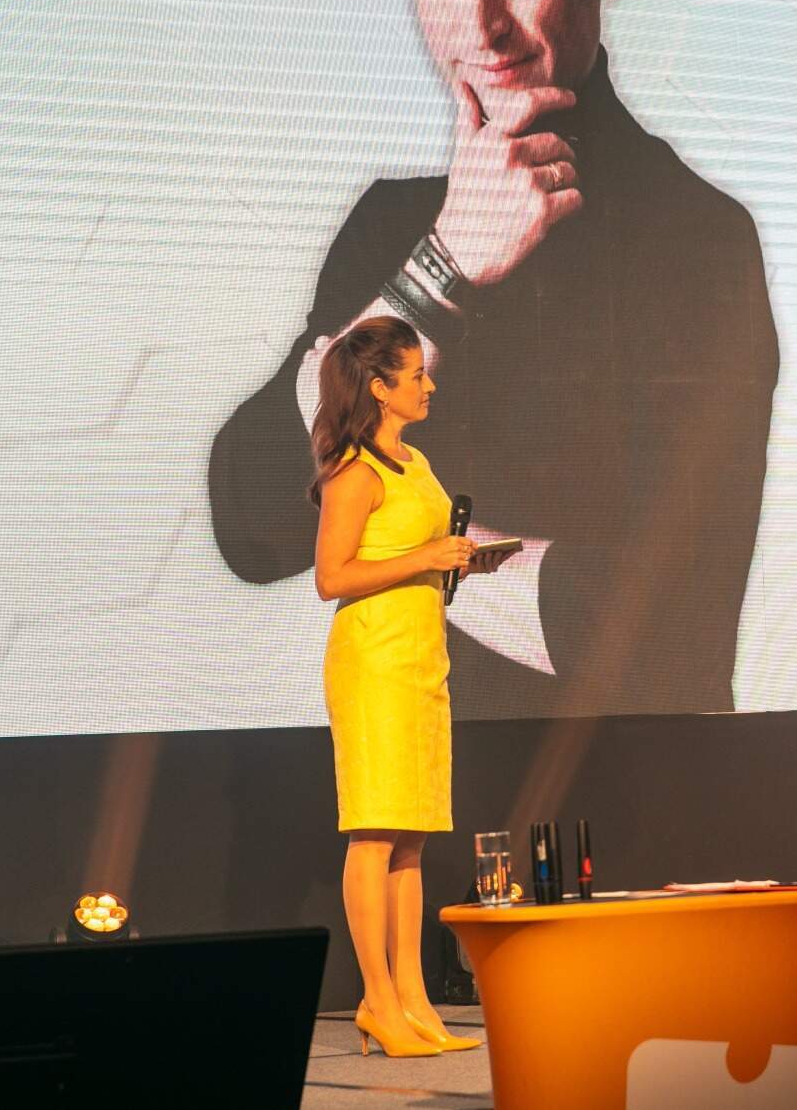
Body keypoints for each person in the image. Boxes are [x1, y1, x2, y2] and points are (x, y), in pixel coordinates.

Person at [208, 0, 778, 721]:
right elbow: (252, 522)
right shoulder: (396, 232)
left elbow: (661, 633)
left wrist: (401, 544)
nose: (478, 26)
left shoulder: (701, 241)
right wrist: (441, 268)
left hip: (644, 796)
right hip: (411, 789)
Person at [310, 316, 513, 1058]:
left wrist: (458, 559)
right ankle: (377, 1000)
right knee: (374, 831)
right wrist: (425, 556)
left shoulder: (414, 460)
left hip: (423, 657)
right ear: (379, 386)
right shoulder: (354, 471)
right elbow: (332, 576)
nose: (429, 385)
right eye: (416, 374)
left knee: (411, 839)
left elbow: (413, 550)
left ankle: (413, 999)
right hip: (374, 661)